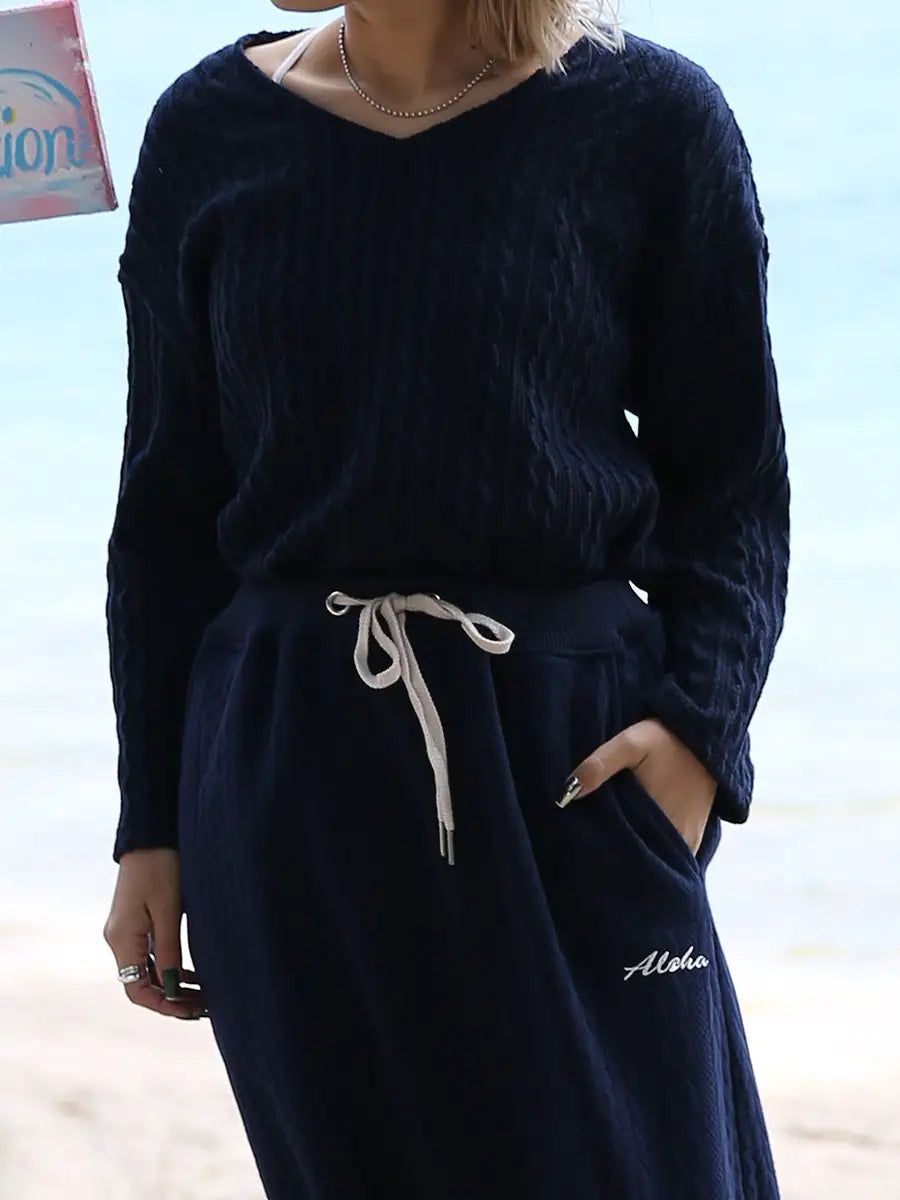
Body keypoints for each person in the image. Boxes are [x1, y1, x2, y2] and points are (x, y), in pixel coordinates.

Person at [101, 1, 790, 1196]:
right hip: (284, 778)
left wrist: (697, 737)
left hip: (572, 772)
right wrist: (151, 822)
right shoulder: (208, 128)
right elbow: (166, 516)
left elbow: (733, 485)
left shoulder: (652, 119)